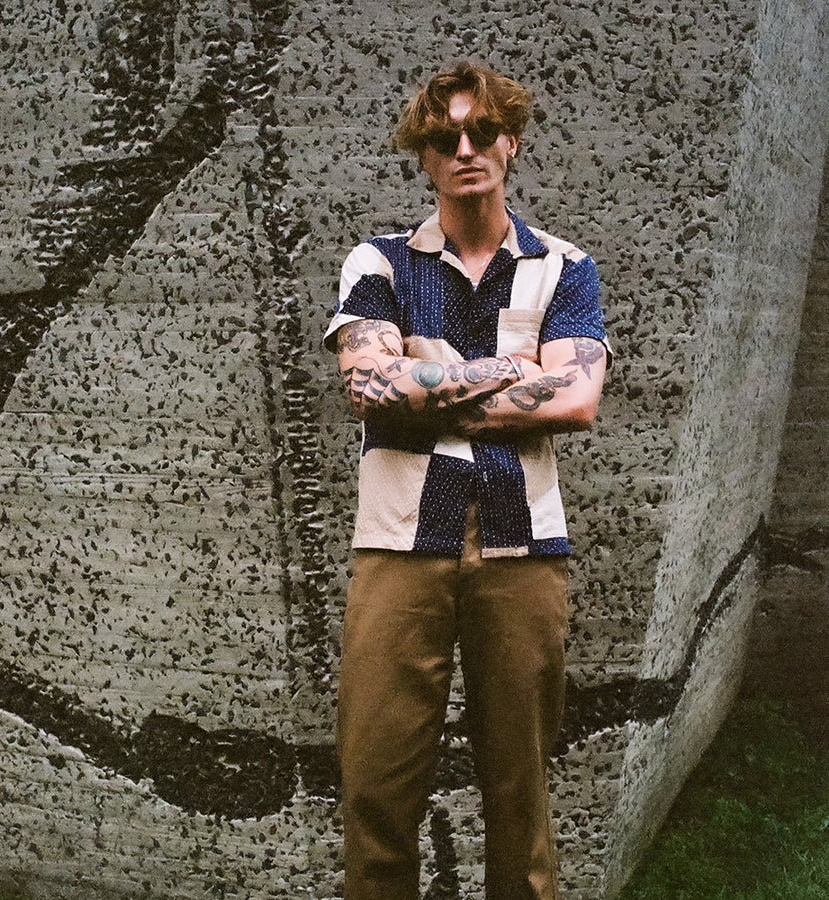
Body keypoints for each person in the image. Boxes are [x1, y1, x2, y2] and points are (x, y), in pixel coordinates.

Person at [324, 61, 610, 900]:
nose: (464, 148)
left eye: (482, 130)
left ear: (509, 141)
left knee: (521, 798)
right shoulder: (379, 263)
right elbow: (368, 389)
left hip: (524, 549)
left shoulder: (565, 268)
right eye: (443, 136)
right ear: (423, 155)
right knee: (377, 790)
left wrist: (429, 382)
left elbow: (578, 398)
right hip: (400, 544)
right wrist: (516, 371)